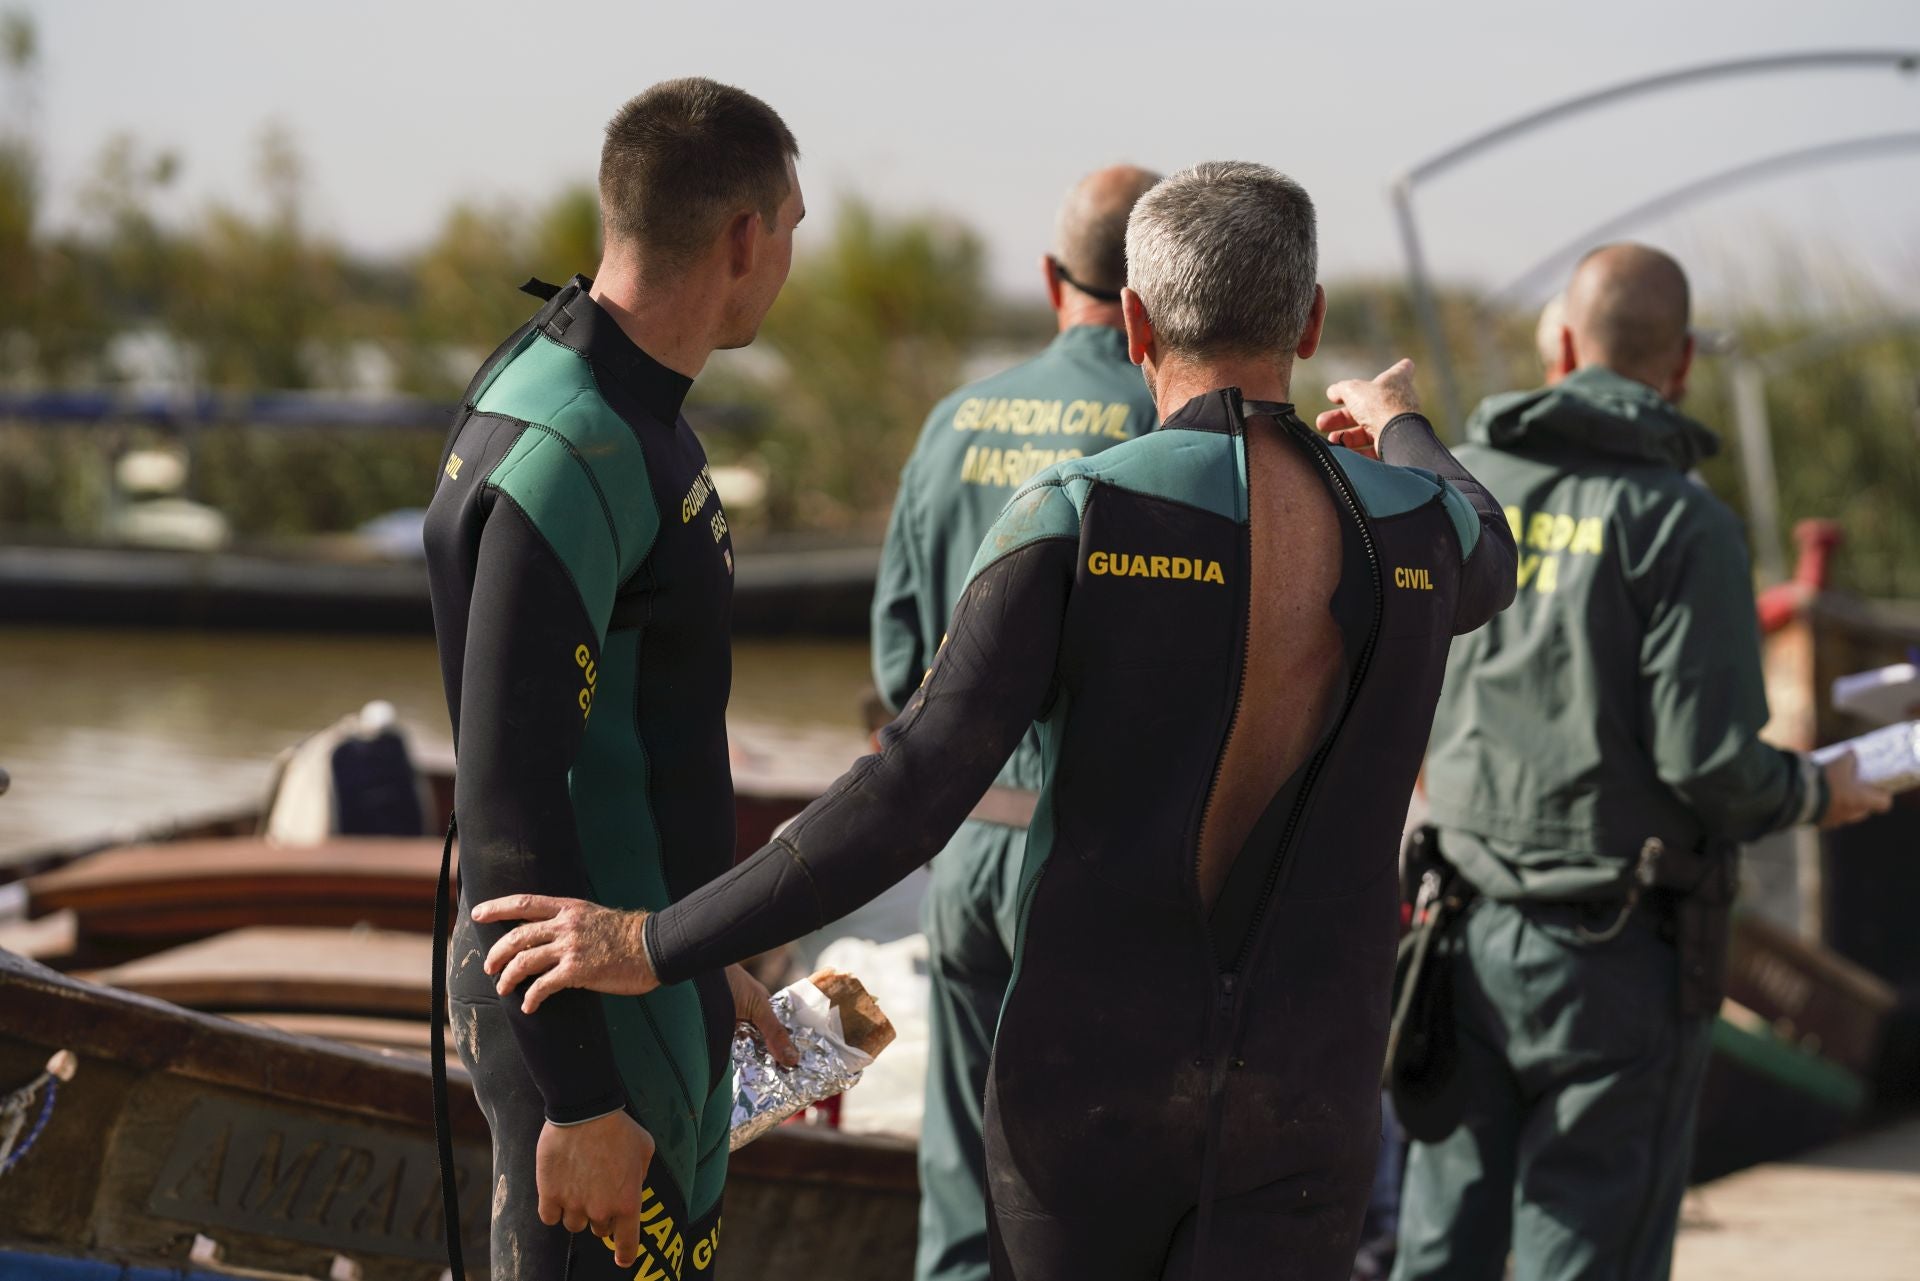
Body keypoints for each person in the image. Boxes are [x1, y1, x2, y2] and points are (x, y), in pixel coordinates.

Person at [476, 161, 1518, 1279]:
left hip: (1089, 1091)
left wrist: (653, 943)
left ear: (1133, 321)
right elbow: (1487, 544)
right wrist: (1402, 425)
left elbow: (908, 793)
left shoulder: (1078, 512)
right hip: (1306, 1099)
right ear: (1309, 323)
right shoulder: (1415, 528)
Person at [1393, 243, 1893, 1281]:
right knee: (1587, 1249)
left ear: (1562, 348)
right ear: (1680, 370)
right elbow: (1709, 762)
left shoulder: (1467, 487)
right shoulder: (1684, 524)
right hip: (1613, 963)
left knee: (1441, 1245)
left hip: (1456, 938)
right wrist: (1819, 788)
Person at [421, 78, 805, 1279]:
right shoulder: (577, 447)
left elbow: (634, 736)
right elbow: (508, 801)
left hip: (647, 964)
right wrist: (580, 1099)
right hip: (582, 1005)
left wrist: (707, 952)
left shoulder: (606, 394)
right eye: (791, 228)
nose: (789, 256)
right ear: (743, 238)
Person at [869, 162, 1161, 1281]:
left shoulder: (953, 421)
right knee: (1094, 1183)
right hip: (1099, 860)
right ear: (1160, 294)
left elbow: (900, 658)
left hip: (968, 848)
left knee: (963, 1174)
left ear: (1052, 277)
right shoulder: (1169, 422)